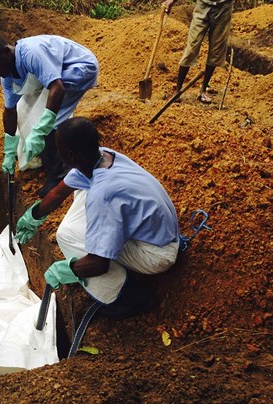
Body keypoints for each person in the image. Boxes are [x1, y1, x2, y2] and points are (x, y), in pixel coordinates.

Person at [15, 117, 180, 318]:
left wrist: (68, 269)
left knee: (70, 236)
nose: (58, 153)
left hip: (155, 254)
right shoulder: (103, 157)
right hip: (159, 231)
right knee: (82, 191)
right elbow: (59, 192)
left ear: (70, 155)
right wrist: (33, 216)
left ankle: (128, 296)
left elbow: (98, 264)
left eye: (59, 149)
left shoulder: (103, 195)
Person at [0, 34, 99, 197]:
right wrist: (9, 149)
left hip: (78, 69)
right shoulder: (6, 75)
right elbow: (10, 111)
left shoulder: (31, 53)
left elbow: (58, 88)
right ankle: (45, 157)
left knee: (48, 118)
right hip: (55, 78)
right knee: (24, 110)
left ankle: (58, 172)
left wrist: (42, 129)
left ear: (6, 52)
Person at [163, 0, 233, 104]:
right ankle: (177, 91)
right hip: (203, 6)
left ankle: (203, 90)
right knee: (192, 47)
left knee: (216, 50)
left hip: (223, 8)